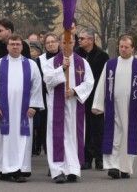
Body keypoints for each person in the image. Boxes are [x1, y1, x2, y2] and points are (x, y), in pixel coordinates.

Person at [91, 35, 137, 179]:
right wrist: (98, 104)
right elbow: (102, 84)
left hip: (130, 107)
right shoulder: (110, 65)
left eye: (126, 47)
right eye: (121, 46)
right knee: (113, 135)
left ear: (133, 48)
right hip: (112, 106)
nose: (123, 49)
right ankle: (113, 166)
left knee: (127, 136)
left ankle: (125, 167)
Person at [0, 35, 44, 183]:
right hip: (2, 111)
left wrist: (33, 106)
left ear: (22, 47)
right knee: (1, 139)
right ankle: (1, 168)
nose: (15, 47)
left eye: (17, 44)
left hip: (24, 112)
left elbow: (37, 86)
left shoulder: (31, 65)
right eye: (12, 44)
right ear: (7, 46)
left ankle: (19, 170)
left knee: (21, 139)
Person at [42, 36, 94, 183]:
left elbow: (89, 82)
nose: (67, 45)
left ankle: (72, 169)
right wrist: (62, 68)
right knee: (57, 136)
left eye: (70, 42)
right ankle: (58, 170)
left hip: (74, 105)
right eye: (64, 42)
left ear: (74, 43)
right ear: (60, 43)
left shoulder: (82, 63)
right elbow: (48, 80)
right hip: (56, 106)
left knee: (73, 136)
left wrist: (75, 91)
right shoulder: (50, 63)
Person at [76, 28, 109, 170]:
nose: (79, 41)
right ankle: (87, 158)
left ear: (91, 40)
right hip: (81, 97)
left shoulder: (102, 56)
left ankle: (100, 158)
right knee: (85, 129)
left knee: (98, 129)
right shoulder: (77, 54)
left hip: (97, 96)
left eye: (82, 38)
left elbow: (105, 78)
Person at [32, 33, 60, 156]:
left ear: (58, 42)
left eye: (53, 41)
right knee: (46, 129)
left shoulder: (65, 58)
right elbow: (38, 80)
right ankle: (50, 157)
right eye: (48, 42)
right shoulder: (40, 60)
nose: (50, 44)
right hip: (46, 98)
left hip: (62, 97)